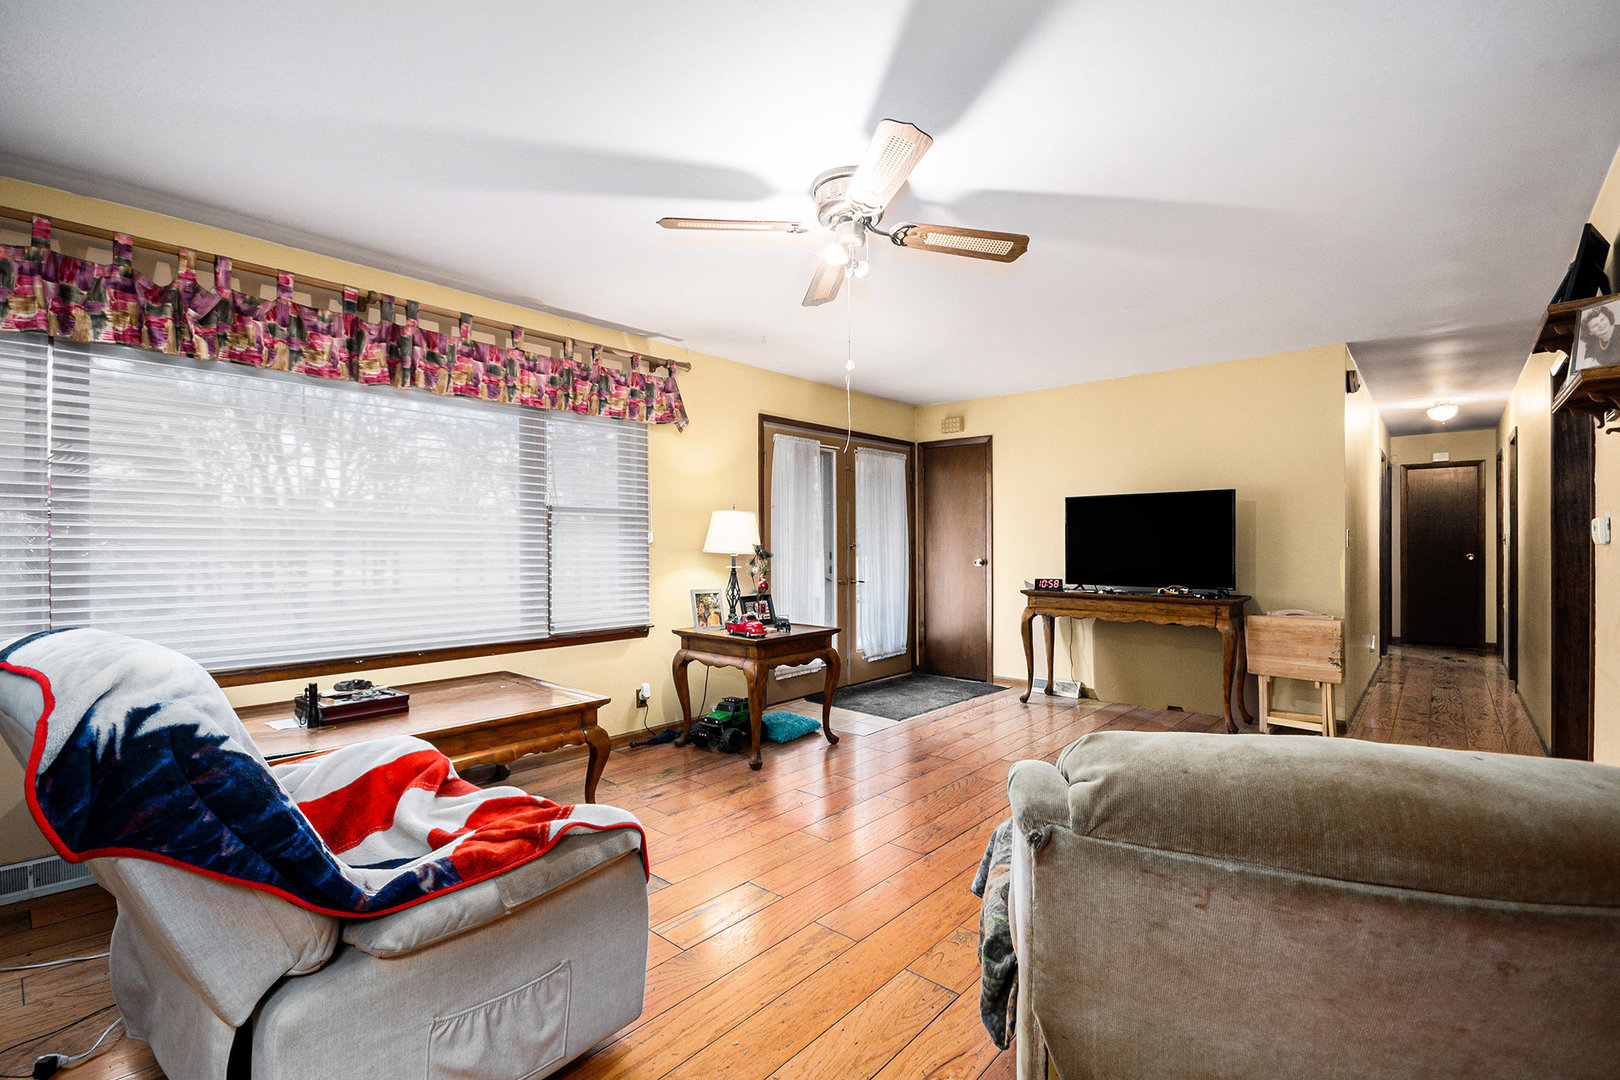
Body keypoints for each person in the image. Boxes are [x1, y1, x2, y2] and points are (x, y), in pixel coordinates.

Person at [1578, 300, 1619, 369]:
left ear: (1608, 318)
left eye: (1602, 320)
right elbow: (1587, 365)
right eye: (1595, 325)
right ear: (1590, 332)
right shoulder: (1593, 341)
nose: (1601, 325)